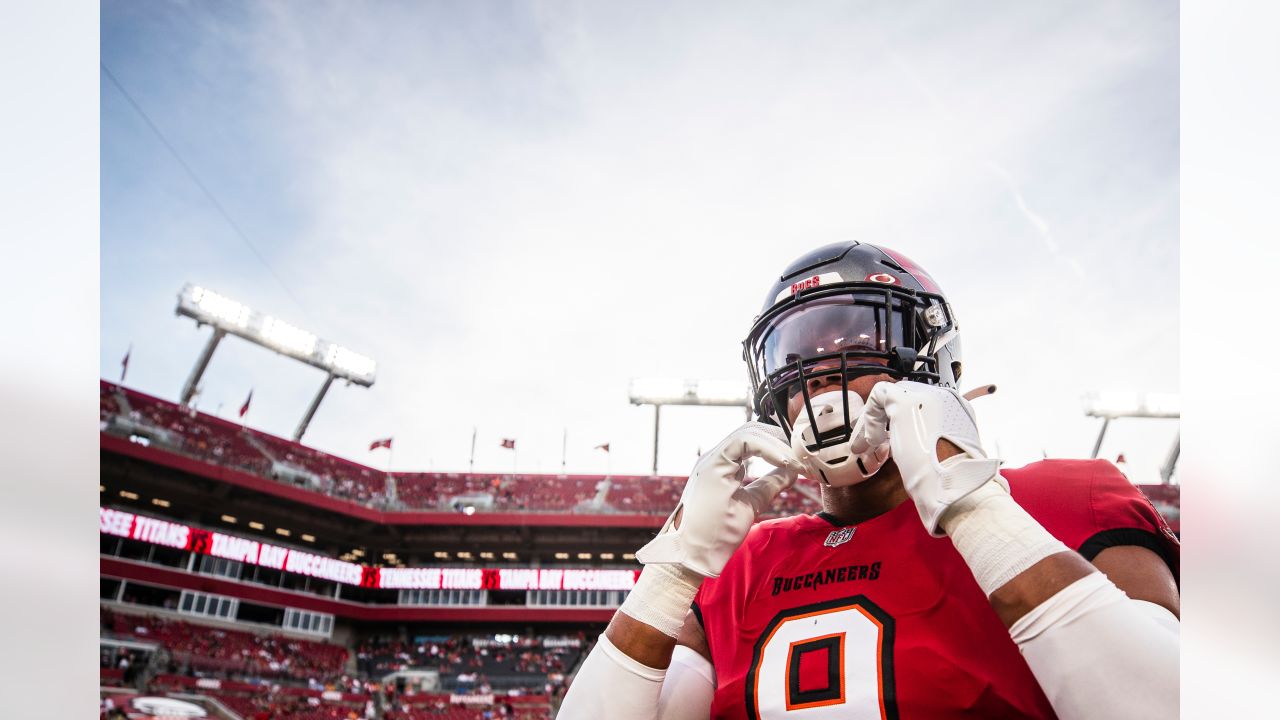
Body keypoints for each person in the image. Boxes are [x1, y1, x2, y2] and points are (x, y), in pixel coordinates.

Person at [558, 242, 1179, 719]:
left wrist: (974, 506)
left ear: (932, 361)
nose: (824, 376)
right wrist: (672, 573)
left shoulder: (1061, 498)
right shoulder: (739, 565)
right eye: (800, 361)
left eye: (857, 343)